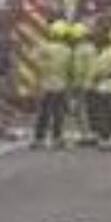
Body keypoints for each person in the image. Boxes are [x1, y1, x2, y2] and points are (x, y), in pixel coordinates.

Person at [32, 20, 72, 148]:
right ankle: (57, 138)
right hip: (61, 84)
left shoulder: (44, 47)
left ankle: (39, 138)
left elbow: (35, 60)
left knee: (43, 112)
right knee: (58, 112)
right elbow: (70, 69)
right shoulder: (67, 50)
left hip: (46, 84)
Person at [66, 21, 98, 145]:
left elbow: (78, 70)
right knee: (92, 110)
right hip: (93, 83)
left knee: (81, 110)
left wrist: (74, 85)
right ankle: (95, 133)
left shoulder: (79, 50)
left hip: (83, 84)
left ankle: (86, 135)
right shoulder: (92, 48)